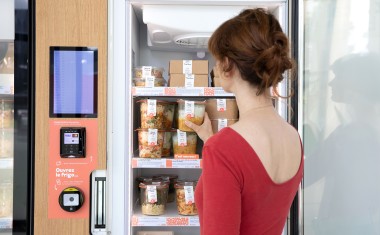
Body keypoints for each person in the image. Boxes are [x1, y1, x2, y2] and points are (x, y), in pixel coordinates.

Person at [184, 8, 303, 235]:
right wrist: (211, 140)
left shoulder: (223, 149)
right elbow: (257, 200)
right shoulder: (293, 137)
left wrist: (215, 146)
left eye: (216, 60)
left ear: (227, 65)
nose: (215, 67)